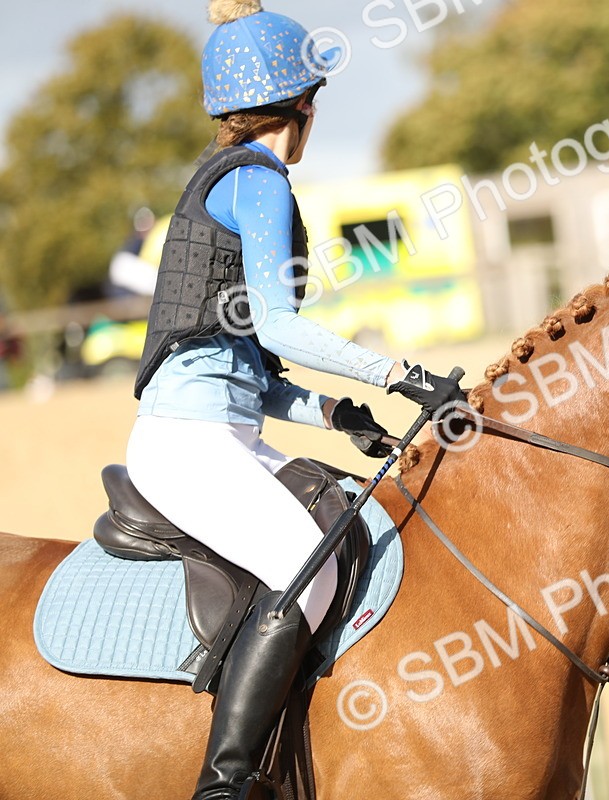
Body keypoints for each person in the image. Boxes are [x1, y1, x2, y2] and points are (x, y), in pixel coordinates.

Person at [124, 2, 464, 798]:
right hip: (190, 443)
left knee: (345, 523)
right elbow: (278, 325)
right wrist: (397, 374)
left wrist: (334, 415)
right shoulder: (260, 181)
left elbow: (251, 367)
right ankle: (227, 782)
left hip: (221, 432)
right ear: (304, 107)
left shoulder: (231, 179)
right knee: (304, 569)